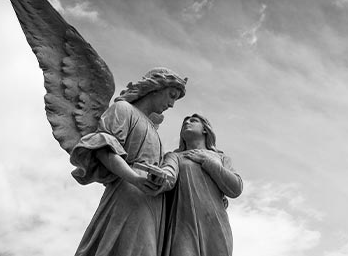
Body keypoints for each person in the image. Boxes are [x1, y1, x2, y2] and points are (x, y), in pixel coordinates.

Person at [68, 68, 188, 256]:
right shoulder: (123, 109)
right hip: (129, 192)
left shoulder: (153, 130)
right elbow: (103, 149)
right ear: (155, 88)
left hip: (152, 201)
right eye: (171, 95)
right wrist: (134, 178)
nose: (172, 104)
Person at [159, 114, 243, 256]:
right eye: (184, 121)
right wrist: (158, 177)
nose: (187, 122)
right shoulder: (175, 156)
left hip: (215, 223)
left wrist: (207, 162)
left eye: (193, 121)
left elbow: (236, 188)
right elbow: (168, 175)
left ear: (205, 129)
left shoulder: (220, 158)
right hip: (183, 224)